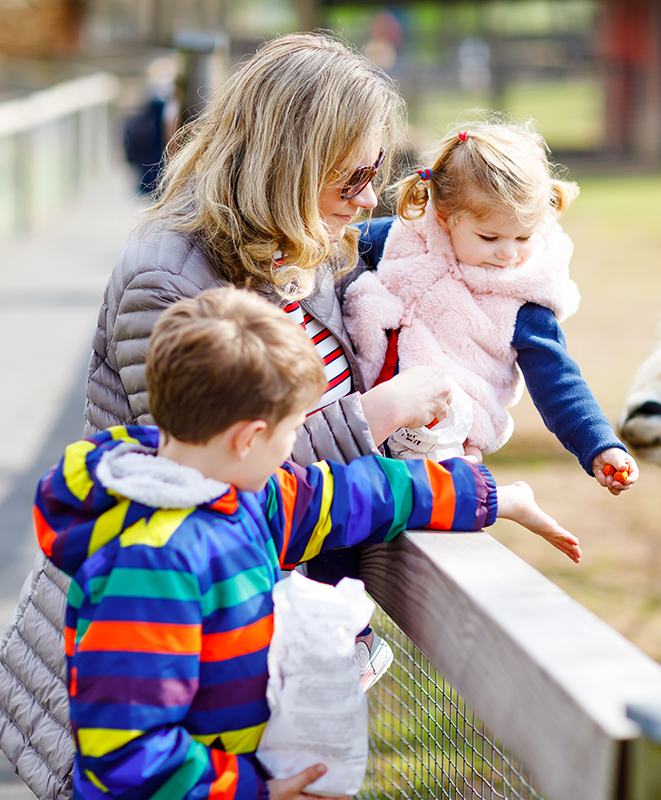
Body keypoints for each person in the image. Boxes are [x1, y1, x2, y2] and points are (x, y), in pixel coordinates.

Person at [0, 31, 444, 798]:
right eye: (354, 177)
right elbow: (214, 478)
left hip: (243, 649)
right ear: (290, 165)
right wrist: (375, 418)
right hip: (155, 655)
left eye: (378, 173)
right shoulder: (167, 284)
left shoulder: (300, 251)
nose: (370, 198)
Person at [40, 287, 580, 800]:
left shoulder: (243, 497)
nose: (293, 448)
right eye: (292, 432)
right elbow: (126, 753)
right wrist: (257, 788)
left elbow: (355, 494)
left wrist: (491, 497)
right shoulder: (152, 565)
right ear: (249, 438)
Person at [343, 120, 639, 492]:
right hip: (364, 413)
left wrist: (599, 444)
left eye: (523, 237)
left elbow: (558, 380)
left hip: (440, 440)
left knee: (420, 525)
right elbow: (336, 249)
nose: (508, 253)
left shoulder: (524, 300)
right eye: (489, 237)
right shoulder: (405, 238)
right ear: (444, 217)